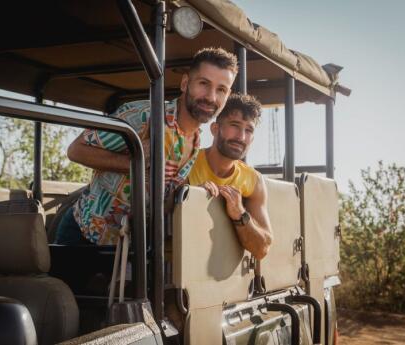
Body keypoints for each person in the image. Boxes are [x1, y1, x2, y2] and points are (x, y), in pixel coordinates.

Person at [55, 47, 238, 245]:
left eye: (221, 90)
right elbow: (76, 150)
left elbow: (164, 201)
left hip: (129, 249)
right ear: (185, 83)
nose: (211, 97)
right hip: (83, 236)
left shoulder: (195, 142)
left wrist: (194, 195)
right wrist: (135, 162)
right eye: (204, 83)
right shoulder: (143, 116)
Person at [188, 94, 273, 260]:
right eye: (234, 125)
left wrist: (240, 215)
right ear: (214, 129)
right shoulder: (186, 162)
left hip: (224, 278)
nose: (241, 137)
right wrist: (193, 198)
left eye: (248, 130)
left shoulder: (254, 181)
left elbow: (262, 249)